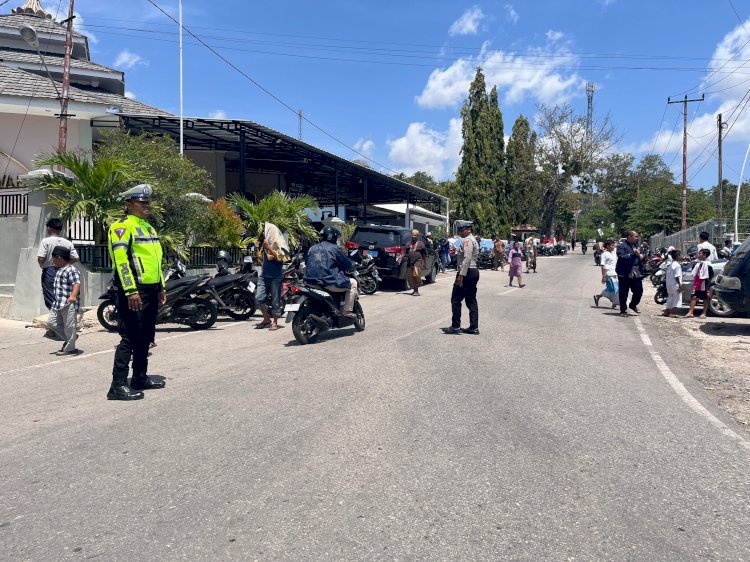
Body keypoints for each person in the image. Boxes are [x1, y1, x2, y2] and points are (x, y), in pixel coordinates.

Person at [107, 184, 166, 401]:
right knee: (130, 337)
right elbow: (121, 260)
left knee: (145, 337)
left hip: (150, 290)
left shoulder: (149, 228)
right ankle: (117, 385)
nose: (146, 206)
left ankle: (140, 377)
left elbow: (156, 261)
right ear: (128, 205)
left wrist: (161, 286)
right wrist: (130, 290)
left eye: (147, 202)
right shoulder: (121, 227)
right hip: (133, 290)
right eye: (142, 202)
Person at [37, 219, 79, 338]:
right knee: (62, 297)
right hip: (64, 271)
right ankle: (63, 327)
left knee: (51, 298)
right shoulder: (67, 242)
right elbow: (76, 258)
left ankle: (56, 329)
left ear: (49, 228)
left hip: (49, 271)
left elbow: (41, 257)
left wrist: (42, 265)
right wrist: (64, 263)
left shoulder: (46, 241)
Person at [304, 227, 357, 317]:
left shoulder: (312, 248)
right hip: (328, 282)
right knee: (353, 283)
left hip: (310, 282)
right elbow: (347, 264)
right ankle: (347, 311)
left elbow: (306, 262)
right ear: (333, 237)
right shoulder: (335, 249)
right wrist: (352, 266)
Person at [442, 221, 479, 335]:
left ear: (468, 229)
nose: (460, 232)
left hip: (467, 272)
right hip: (473, 271)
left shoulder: (467, 240)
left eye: (462, 230)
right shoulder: (473, 240)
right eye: (460, 230)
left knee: (456, 299)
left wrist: (461, 275)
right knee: (471, 300)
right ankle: (473, 327)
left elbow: (467, 259)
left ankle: (456, 326)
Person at [47, 246, 81, 356]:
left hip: (68, 303)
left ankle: (70, 348)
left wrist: (73, 296)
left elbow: (76, 283)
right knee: (51, 322)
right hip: (58, 303)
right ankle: (71, 337)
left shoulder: (71, 270)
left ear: (60, 258)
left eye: (54, 258)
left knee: (69, 326)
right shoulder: (59, 270)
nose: (53, 261)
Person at [255, 222, 288, 331]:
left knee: (275, 301)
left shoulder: (279, 245)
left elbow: (280, 258)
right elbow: (260, 260)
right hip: (264, 276)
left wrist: (269, 248)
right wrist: (256, 249)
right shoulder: (264, 245)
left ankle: (275, 322)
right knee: (258, 298)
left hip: (275, 276)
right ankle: (266, 318)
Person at [615, 230, 644, 317]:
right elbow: (621, 256)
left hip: (636, 272)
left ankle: (633, 305)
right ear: (629, 237)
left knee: (639, 290)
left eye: (637, 236)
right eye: (635, 236)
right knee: (624, 292)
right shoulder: (622, 246)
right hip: (624, 272)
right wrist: (633, 254)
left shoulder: (637, 245)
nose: (637, 238)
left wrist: (642, 256)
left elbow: (640, 255)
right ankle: (623, 310)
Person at [686, 248, 713, 319]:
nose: (698, 255)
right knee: (693, 296)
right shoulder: (696, 263)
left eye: (700, 253)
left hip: (704, 283)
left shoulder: (708, 265)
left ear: (704, 255)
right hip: (697, 283)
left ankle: (704, 313)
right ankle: (690, 312)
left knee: (705, 298)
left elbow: (710, 275)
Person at [399, 229, 426, 296]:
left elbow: (424, 254)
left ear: (417, 236)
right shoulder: (408, 244)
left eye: (414, 236)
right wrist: (400, 258)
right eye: (412, 236)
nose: (413, 237)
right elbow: (403, 251)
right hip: (410, 262)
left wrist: (424, 262)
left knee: (415, 274)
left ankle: (416, 290)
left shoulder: (421, 244)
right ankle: (414, 290)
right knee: (410, 277)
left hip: (418, 261)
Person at [593, 239, 618, 309]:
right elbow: (602, 265)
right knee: (615, 289)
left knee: (611, 289)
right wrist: (603, 276)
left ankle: (598, 296)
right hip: (608, 274)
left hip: (615, 273)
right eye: (612, 245)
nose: (614, 247)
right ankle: (614, 304)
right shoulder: (604, 254)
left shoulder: (614, 252)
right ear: (608, 246)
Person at [663, 249, 683, 318]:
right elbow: (677, 276)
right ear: (678, 256)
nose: (682, 257)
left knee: (670, 297)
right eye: (680, 255)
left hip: (669, 284)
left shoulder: (671, 264)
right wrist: (680, 286)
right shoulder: (677, 265)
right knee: (677, 298)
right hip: (675, 284)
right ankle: (673, 312)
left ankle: (667, 311)